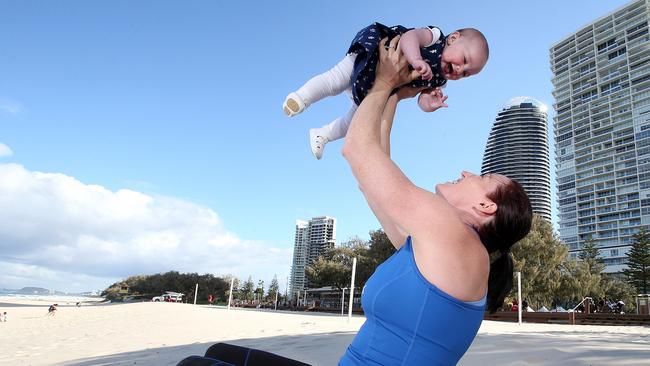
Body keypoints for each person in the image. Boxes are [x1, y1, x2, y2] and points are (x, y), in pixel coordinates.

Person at [337, 36, 532, 365]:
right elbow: (372, 177)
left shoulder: (455, 237)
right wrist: (394, 96)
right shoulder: (440, 248)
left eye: (482, 179)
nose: (468, 172)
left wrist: (384, 82)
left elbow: (356, 150)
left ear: (486, 207)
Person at [282, 22, 489, 159]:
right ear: (453, 38)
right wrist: (416, 59)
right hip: (372, 56)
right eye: (464, 60)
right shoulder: (435, 37)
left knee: (354, 121)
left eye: (466, 74)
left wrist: (429, 104)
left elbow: (419, 100)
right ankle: (302, 97)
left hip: (375, 91)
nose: (460, 70)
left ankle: (323, 134)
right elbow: (409, 37)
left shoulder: (439, 80)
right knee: (335, 79)